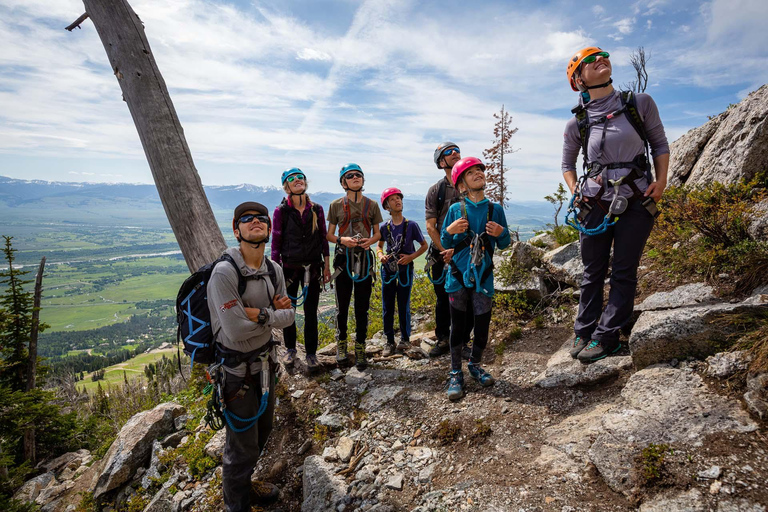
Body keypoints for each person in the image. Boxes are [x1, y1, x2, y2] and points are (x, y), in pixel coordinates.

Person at [562, 47, 669, 364]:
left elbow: (659, 143)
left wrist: (661, 182)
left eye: (602, 55)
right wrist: (575, 189)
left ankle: (607, 336)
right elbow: (567, 165)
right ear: (579, 79)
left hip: (636, 197)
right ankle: (585, 329)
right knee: (592, 270)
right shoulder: (578, 122)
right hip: (594, 201)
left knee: (623, 270)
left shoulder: (639, 104)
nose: (599, 60)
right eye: (589, 61)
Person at [207, 202, 295, 511]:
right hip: (236, 374)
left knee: (263, 432)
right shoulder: (224, 273)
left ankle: (246, 487)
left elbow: (290, 318)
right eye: (246, 219)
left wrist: (257, 315)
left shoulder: (274, 269)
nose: (255, 222)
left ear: (269, 230)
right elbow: (234, 331)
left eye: (261, 219)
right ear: (236, 230)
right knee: (241, 448)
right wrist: (272, 316)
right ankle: (237, 505)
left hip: (266, 365)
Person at [440, 157, 511, 400]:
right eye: (471, 172)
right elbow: (445, 241)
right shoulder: (455, 211)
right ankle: (454, 372)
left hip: (483, 277)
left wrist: (502, 233)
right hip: (458, 277)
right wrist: (449, 231)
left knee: (481, 328)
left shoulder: (495, 210)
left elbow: (504, 244)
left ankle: (474, 365)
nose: (478, 173)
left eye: (480, 170)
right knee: (457, 327)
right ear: (462, 185)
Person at [271, 168, 331, 372]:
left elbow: (323, 238)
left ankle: (312, 353)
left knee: (311, 312)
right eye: (292, 179)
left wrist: (326, 266)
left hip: (312, 268)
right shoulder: (281, 212)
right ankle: (290, 349)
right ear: (286, 186)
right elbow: (276, 243)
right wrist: (275, 272)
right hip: (288, 269)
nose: (297, 181)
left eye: (300, 178)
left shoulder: (317, 210)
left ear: (305, 183)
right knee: (289, 312)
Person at [326, 164, 383, 370]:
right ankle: (341, 344)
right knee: (342, 306)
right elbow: (330, 235)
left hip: (363, 259)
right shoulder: (336, 206)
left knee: (361, 307)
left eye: (359, 175)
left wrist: (370, 241)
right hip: (344, 259)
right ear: (344, 182)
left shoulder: (372, 205)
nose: (355, 177)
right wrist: (343, 239)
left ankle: (360, 346)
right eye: (350, 176)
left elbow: (378, 233)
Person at [424, 142, 474, 359]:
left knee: (469, 297)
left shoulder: (470, 186)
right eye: (449, 152)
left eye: (457, 151)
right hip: (441, 253)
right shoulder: (437, 190)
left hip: (467, 252)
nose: (455, 153)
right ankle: (444, 338)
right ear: (441, 161)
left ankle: (463, 340)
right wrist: (445, 251)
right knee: (443, 298)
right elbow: (430, 226)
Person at [377, 187, 428, 356]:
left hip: (405, 268)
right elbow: (379, 245)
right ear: (387, 206)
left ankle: (405, 339)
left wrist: (410, 257)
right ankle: (389, 341)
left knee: (403, 304)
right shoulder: (384, 227)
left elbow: (424, 246)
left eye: (399, 198)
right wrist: (381, 256)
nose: (397, 201)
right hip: (389, 269)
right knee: (387, 305)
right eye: (393, 199)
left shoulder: (411, 225)